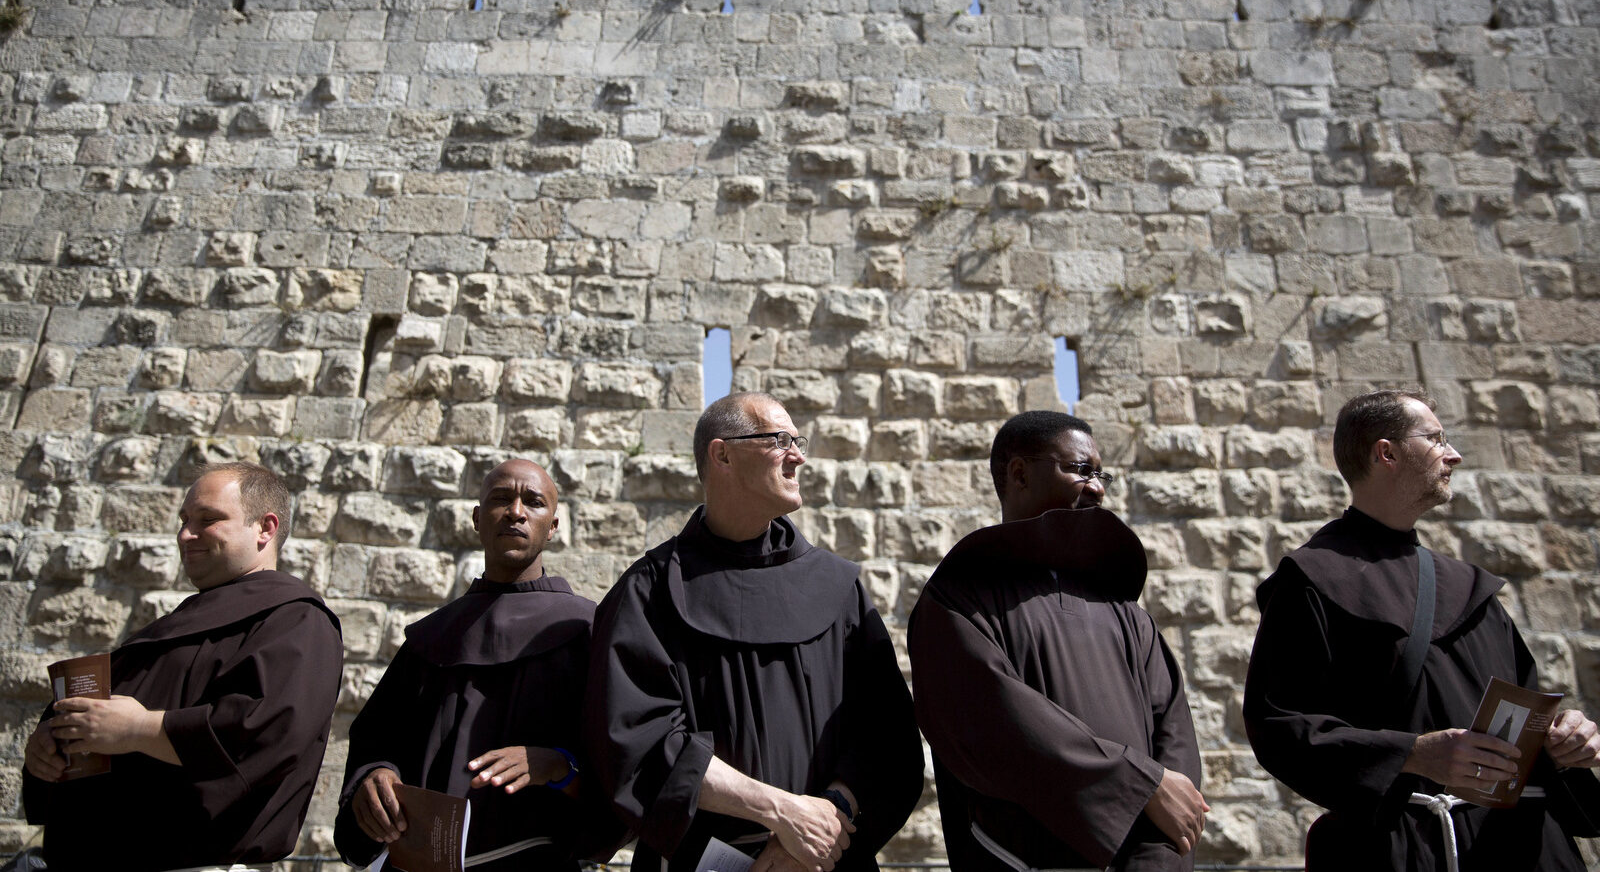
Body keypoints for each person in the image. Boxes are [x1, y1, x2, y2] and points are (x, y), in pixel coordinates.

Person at [1244, 389, 1600, 871]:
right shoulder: (1312, 583)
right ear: (1386, 453)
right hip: (1412, 850)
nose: (1452, 454)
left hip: (1524, 845)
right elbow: (1280, 728)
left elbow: (1524, 716)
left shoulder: (1470, 587)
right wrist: (1411, 754)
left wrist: (1566, 741)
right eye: (1435, 439)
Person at [585, 392, 924, 872]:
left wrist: (826, 819)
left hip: (824, 858)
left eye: (797, 440)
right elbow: (635, 742)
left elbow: (886, 734)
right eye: (780, 440)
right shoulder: (647, 591)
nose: (799, 455)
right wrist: (781, 812)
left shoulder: (838, 587)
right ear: (722, 454)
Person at [908, 410, 1207, 872]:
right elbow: (1001, 730)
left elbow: (1174, 734)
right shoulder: (958, 601)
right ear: (1020, 473)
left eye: (1101, 474)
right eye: (1080, 470)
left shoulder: (1125, 611)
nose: (1098, 487)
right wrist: (1139, 785)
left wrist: (1161, 851)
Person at [21, 461, 343, 871]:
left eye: (208, 519)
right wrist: (49, 745)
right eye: (184, 520)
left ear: (265, 528)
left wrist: (140, 729)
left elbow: (268, 730)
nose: (184, 534)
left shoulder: (295, 621)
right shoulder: (180, 623)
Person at [334, 459, 621, 871]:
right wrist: (374, 778)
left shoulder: (587, 632)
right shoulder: (431, 639)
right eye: (500, 499)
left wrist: (557, 765)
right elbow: (376, 743)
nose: (516, 512)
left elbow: (621, 763)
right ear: (476, 518)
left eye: (533, 502)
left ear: (553, 526)